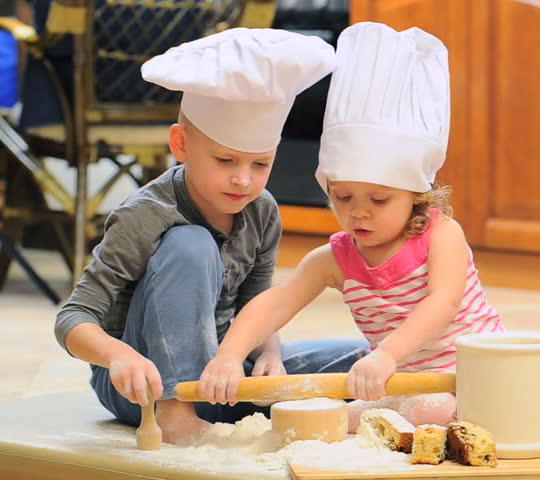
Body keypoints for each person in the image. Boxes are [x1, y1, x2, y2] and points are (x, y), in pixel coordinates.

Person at [197, 22, 540, 433]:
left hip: (489, 368)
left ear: (415, 194)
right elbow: (273, 304)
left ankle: (488, 418)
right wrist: (230, 356)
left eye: (379, 200)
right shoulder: (333, 261)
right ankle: (498, 421)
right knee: (434, 410)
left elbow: (443, 304)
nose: (359, 213)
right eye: (343, 198)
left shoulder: (440, 234)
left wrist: (386, 355)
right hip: (419, 388)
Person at [53, 28, 370, 446]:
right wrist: (119, 357)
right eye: (225, 160)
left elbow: (258, 304)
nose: (242, 179)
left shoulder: (262, 210)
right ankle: (177, 416)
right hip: (143, 390)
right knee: (191, 243)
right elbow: (71, 317)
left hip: (223, 373)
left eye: (260, 164)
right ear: (181, 143)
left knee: (364, 360)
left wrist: (270, 354)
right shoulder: (145, 214)